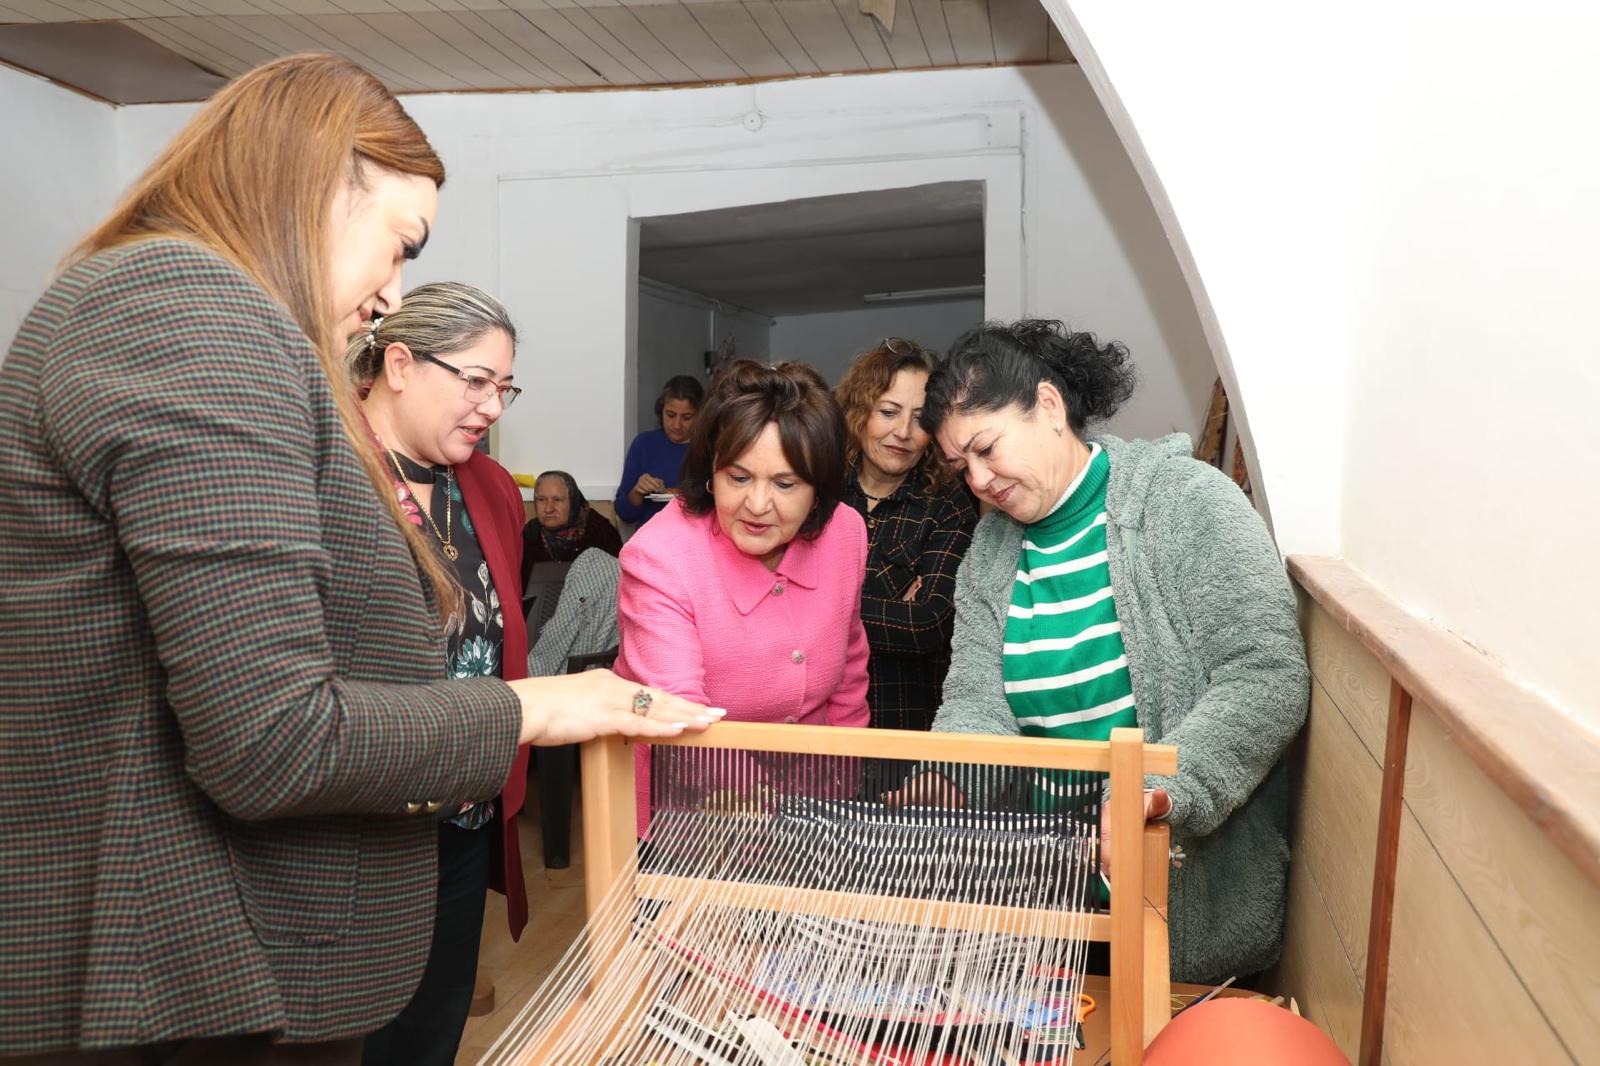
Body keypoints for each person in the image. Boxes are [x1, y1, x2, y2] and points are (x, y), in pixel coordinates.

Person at [0, 54, 719, 1064]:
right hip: (185, 974)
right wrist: (543, 705)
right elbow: (272, 738)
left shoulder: (194, 311)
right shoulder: (190, 310)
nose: (391, 294)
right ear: (315, 180)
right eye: (398, 244)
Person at [894, 319, 1309, 985]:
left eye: (986, 448)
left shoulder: (1187, 504)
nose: (976, 478)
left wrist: (1158, 788)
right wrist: (946, 778)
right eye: (958, 466)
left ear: (1050, 407)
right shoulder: (987, 561)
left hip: (1185, 926)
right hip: (1055, 922)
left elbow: (1264, 676)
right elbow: (979, 705)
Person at [348, 282, 533, 1065]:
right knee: (353, 1031)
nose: (492, 406)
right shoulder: (332, 466)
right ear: (398, 363)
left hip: (463, 812)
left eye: (505, 387)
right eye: (475, 380)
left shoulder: (486, 486)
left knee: (434, 1022)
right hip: (359, 823)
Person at [614, 360, 870, 832]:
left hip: (816, 800)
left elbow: (849, 664)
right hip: (694, 809)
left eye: (785, 483)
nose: (756, 505)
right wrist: (777, 817)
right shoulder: (659, 556)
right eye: (738, 477)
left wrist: (842, 789)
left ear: (820, 489)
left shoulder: (846, 534)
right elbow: (681, 712)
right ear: (710, 469)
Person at [835, 338, 977, 735]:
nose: (902, 432)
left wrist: (822, 607)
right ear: (860, 412)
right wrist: (891, 607)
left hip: (906, 729)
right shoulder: (819, 495)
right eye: (888, 412)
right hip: (823, 727)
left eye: (919, 418)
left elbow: (925, 627)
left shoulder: (949, 506)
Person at [614, 374, 703, 527]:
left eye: (687, 417)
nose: (677, 425)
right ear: (661, 411)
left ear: (701, 416)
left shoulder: (711, 447)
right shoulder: (644, 444)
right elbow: (624, 513)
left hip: (698, 537)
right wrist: (637, 492)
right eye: (670, 415)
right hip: (651, 540)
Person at [521, 469, 623, 578]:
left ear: (573, 501)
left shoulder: (600, 531)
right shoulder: (530, 535)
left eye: (557, 500)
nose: (548, 508)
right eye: (541, 500)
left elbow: (616, 581)